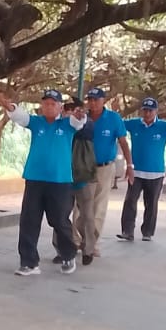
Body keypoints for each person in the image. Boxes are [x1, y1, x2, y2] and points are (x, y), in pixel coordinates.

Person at [0, 87, 85, 275]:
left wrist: (81, 115)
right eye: (46, 103)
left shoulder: (67, 124)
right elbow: (21, 117)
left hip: (60, 181)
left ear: (60, 107)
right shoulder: (36, 123)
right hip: (34, 179)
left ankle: (68, 255)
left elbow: (79, 122)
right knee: (29, 220)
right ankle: (29, 262)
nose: (49, 107)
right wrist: (9, 106)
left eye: (53, 104)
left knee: (59, 220)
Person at [118, 98, 166, 242]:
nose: (147, 113)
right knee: (130, 201)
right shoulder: (134, 124)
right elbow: (118, 125)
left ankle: (147, 232)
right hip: (136, 172)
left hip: (156, 173)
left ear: (156, 111)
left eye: (150, 111)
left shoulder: (164, 126)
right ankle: (127, 231)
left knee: (151, 204)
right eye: (145, 110)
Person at [82, 87, 133, 259]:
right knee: (79, 206)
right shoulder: (82, 117)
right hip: (83, 167)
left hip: (104, 168)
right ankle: (76, 240)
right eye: (90, 99)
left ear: (103, 100)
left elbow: (123, 142)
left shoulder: (113, 118)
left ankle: (92, 244)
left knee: (98, 206)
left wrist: (129, 165)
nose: (93, 103)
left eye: (96, 99)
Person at [67, 96, 99, 264]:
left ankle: (88, 249)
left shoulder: (87, 125)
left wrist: (79, 119)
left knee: (87, 215)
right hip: (64, 177)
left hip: (83, 176)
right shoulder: (60, 126)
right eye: (67, 109)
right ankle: (62, 248)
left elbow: (85, 131)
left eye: (73, 109)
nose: (69, 112)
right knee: (61, 215)